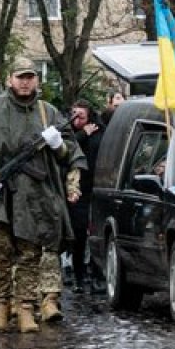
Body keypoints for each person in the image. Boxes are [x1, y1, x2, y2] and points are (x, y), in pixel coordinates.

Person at [0, 56, 84, 333]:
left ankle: (27, 307)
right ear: (9, 80)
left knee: (30, 254)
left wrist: (57, 145)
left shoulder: (48, 112)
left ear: (37, 80)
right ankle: (1, 306)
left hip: (35, 195)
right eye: (20, 77)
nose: (25, 81)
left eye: (30, 77)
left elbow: (71, 154)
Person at [66, 101, 104, 292]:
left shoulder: (99, 133)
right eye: (74, 115)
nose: (76, 119)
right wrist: (82, 135)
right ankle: (78, 275)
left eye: (81, 115)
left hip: (95, 187)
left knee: (96, 233)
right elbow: (64, 149)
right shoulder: (70, 134)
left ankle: (98, 275)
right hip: (76, 188)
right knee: (78, 234)